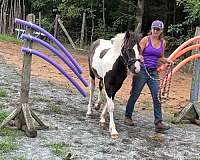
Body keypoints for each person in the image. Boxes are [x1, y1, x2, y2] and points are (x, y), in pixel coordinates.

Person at [124, 20, 171, 133]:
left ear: (161, 31)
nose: (155, 31)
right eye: (154, 28)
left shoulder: (162, 43)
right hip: (142, 70)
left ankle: (158, 122)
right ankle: (128, 116)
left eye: (158, 29)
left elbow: (160, 57)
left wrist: (168, 61)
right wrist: (140, 57)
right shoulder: (146, 40)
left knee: (157, 96)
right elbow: (138, 52)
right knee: (135, 93)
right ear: (151, 28)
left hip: (153, 72)